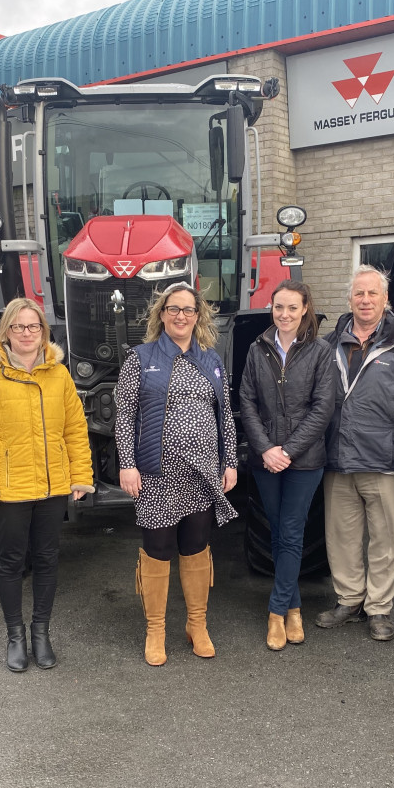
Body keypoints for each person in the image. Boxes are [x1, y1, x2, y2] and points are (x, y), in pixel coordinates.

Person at [0, 298, 94, 672]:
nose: (26, 334)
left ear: (43, 332)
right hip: (9, 489)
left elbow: (74, 430)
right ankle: (15, 636)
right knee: (11, 562)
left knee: (48, 559)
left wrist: (81, 475)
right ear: (6, 332)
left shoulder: (59, 375)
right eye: (18, 327)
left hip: (52, 488)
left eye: (33, 327)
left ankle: (41, 632)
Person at [114, 281, 239, 666]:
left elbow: (225, 417)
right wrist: (127, 463)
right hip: (156, 474)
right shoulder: (140, 358)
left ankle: (196, 625)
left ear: (197, 316)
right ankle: (155, 629)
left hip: (202, 474)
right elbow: (125, 415)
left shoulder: (212, 360)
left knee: (196, 548)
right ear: (162, 315)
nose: (181, 316)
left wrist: (230, 462)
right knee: (157, 550)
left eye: (188, 310)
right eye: (174, 309)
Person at [315, 265, 394, 642]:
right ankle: (349, 600)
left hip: (385, 462)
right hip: (337, 460)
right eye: (358, 294)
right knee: (341, 537)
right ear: (349, 299)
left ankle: (379, 609)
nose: (365, 300)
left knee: (385, 540)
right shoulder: (329, 343)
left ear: (386, 300)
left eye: (372, 294)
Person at [238, 280, 336, 650]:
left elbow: (323, 408)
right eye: (279, 307)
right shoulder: (256, 350)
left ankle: (277, 613)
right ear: (272, 309)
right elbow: (246, 401)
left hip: (304, 461)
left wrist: (289, 451)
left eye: (293, 308)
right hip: (266, 460)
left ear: (305, 309)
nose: (285, 314)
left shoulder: (320, 351)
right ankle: (294, 605)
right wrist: (265, 448)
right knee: (279, 533)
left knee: (292, 532)